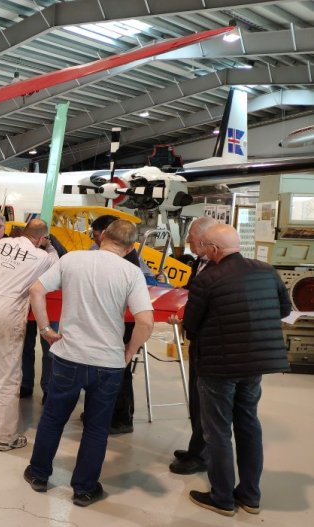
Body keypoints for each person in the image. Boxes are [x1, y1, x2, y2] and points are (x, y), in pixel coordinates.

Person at [23, 220, 154, 506]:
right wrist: (129, 350)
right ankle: (83, 489)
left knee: (53, 418)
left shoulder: (73, 259)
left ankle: (38, 474)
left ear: (102, 236)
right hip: (108, 363)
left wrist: (46, 330)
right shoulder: (132, 273)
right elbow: (145, 321)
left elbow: (36, 290)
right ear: (131, 247)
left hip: (67, 355)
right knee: (96, 427)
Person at [180, 224, 291, 516]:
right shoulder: (267, 270)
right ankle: (250, 495)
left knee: (217, 431)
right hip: (255, 363)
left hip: (218, 364)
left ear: (214, 249)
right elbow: (283, 308)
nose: (200, 249)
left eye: (202, 245)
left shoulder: (208, 279)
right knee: (248, 424)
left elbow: (191, 325)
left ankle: (222, 498)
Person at [0, 218, 57, 452]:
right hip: (8, 315)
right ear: (40, 238)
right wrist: (49, 246)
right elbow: (57, 266)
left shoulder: (1, 246)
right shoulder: (42, 257)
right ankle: (6, 437)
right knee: (8, 377)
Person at [89, 215, 154, 435]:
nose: (96, 240)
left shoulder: (128, 258)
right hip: (108, 321)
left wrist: (131, 348)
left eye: (97, 235)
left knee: (120, 371)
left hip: (122, 322)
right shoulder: (103, 252)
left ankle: (122, 417)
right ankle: (104, 411)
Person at [167, 215, 218, 475]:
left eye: (192, 238)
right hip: (197, 340)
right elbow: (191, 292)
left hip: (210, 345)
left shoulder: (218, 269)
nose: (187, 242)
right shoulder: (200, 262)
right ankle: (196, 446)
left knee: (205, 400)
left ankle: (201, 455)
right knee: (196, 398)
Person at [21, 234, 67, 402]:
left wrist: (50, 245)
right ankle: (25, 384)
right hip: (28, 306)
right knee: (25, 347)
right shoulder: (25, 248)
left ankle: (48, 388)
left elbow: (60, 260)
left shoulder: (54, 249)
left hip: (50, 307)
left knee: (50, 350)